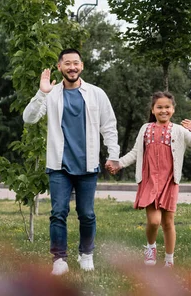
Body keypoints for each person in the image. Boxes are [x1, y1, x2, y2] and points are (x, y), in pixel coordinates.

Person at [23, 48, 120, 276]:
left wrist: (113, 154)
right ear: (60, 67)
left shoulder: (96, 93)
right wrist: (41, 93)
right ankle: (59, 259)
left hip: (87, 165)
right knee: (58, 212)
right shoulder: (52, 94)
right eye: (67, 63)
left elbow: (109, 126)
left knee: (86, 213)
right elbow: (29, 118)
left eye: (76, 63)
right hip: (59, 165)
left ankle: (86, 254)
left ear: (82, 66)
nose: (72, 67)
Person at [106, 91, 191, 268]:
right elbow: (135, 153)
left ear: (173, 109)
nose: (163, 110)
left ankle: (169, 260)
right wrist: (119, 164)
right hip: (150, 181)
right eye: (159, 107)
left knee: (168, 222)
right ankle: (150, 248)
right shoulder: (145, 129)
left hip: (169, 182)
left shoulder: (179, 131)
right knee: (153, 221)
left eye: (167, 107)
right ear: (153, 109)